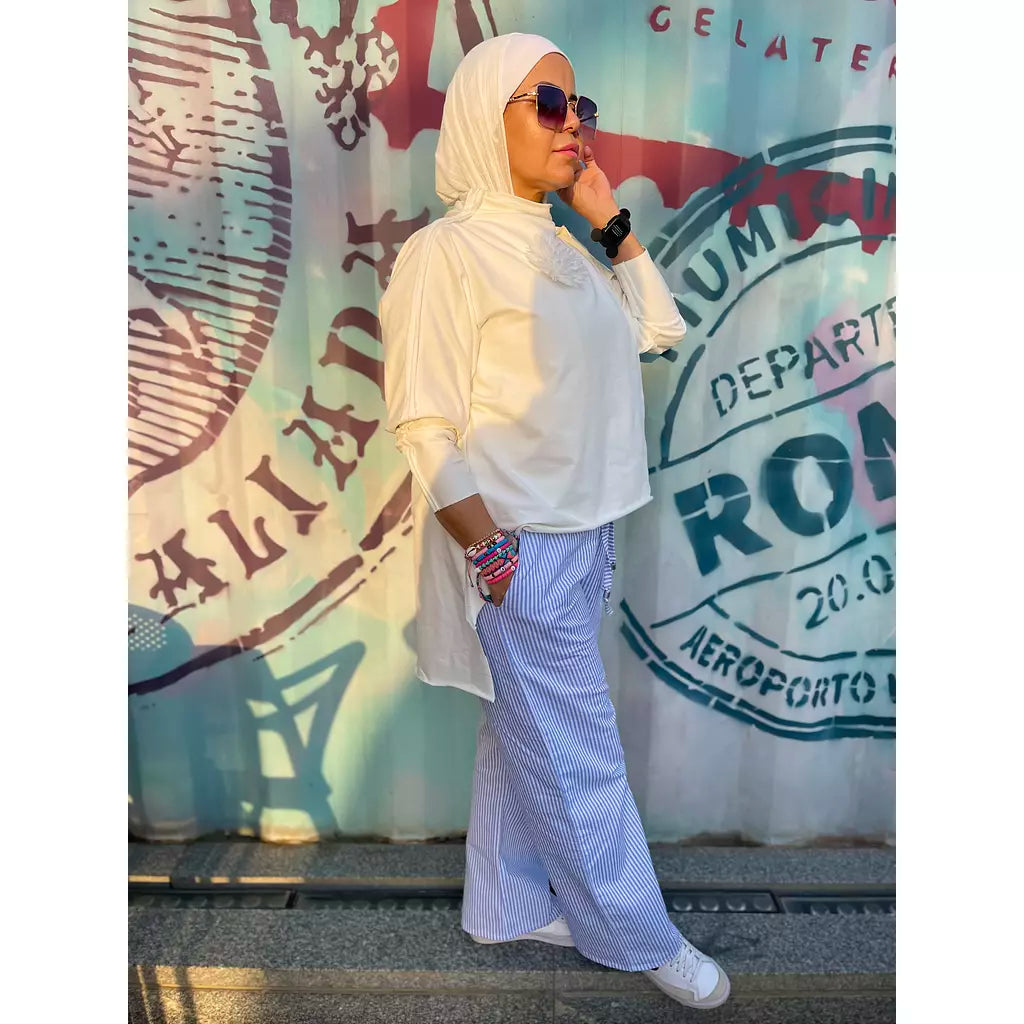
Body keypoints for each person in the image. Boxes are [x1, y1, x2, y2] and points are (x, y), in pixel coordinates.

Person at [379, 32, 731, 1012]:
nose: (572, 123)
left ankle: (503, 905)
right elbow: (422, 422)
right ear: (483, 117)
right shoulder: (445, 254)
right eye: (547, 104)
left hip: (586, 529)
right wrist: (490, 551)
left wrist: (609, 221)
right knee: (579, 755)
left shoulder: (563, 244)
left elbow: (656, 327)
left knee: (522, 732)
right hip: (517, 544)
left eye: (580, 107)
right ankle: (637, 935)